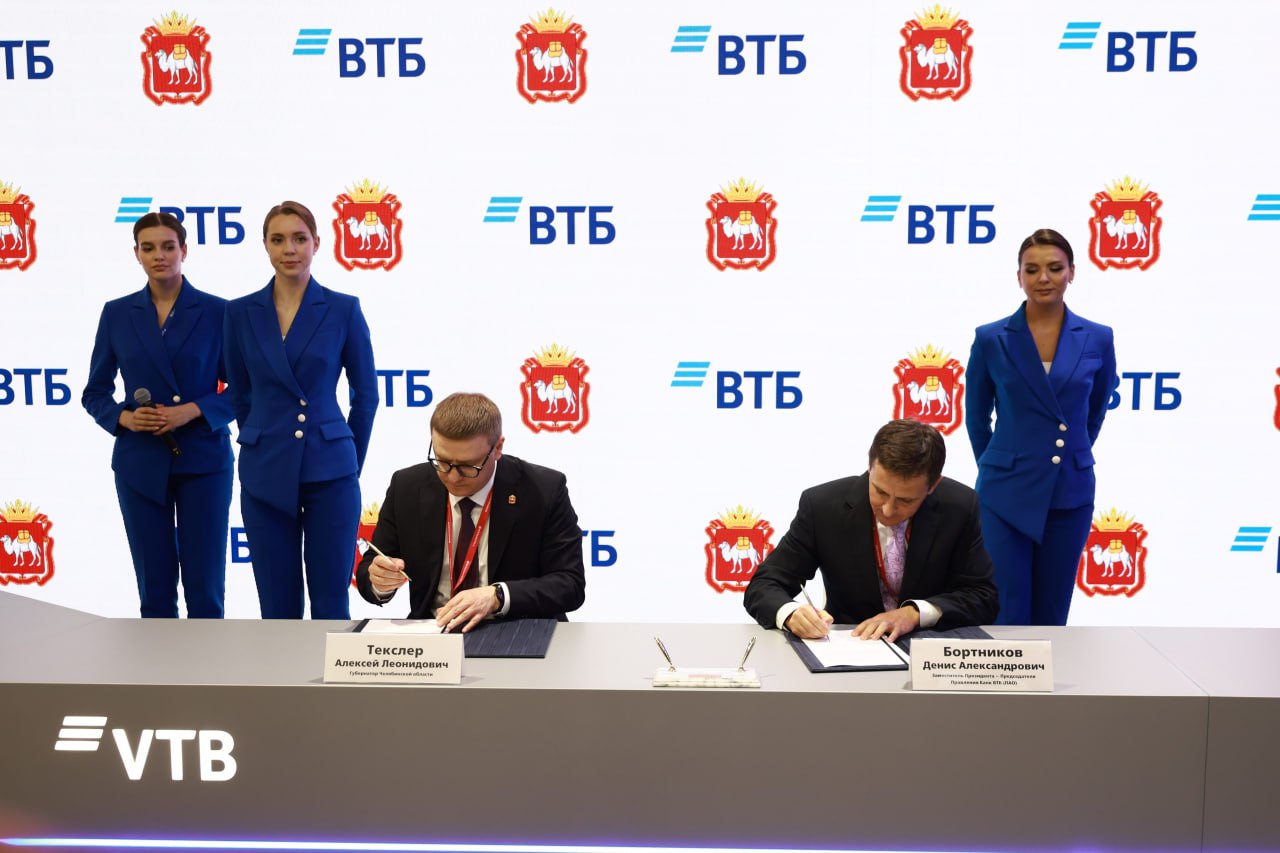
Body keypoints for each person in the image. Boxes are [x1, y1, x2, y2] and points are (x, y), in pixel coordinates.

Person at [223, 201, 378, 619]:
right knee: (277, 608)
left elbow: (366, 395)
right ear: (265, 245)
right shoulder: (238, 313)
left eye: (299, 238)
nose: (289, 249)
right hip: (264, 467)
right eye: (278, 240)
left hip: (331, 470)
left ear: (317, 243)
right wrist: (261, 434)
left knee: (331, 603)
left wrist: (349, 460)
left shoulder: (344, 308)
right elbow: (239, 393)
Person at [82, 212, 234, 618]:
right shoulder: (116, 313)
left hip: (204, 459)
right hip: (140, 461)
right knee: (154, 590)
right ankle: (157, 663)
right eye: (148, 248)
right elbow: (95, 392)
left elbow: (245, 389)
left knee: (206, 589)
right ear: (136, 253)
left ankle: (208, 661)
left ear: (184, 250)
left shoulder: (219, 312)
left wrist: (194, 409)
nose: (159, 255)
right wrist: (124, 418)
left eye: (168, 246)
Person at [965, 228, 1117, 625]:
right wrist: (999, 464)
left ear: (1072, 272)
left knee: (1052, 612)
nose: (1043, 278)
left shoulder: (1099, 338)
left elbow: (1094, 413)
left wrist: (1069, 456)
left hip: (1070, 490)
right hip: (1004, 491)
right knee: (1005, 610)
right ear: (1019, 277)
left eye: (1055, 268)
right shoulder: (991, 338)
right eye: (1032, 270)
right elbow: (976, 418)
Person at [744, 418, 998, 641]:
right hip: (849, 648)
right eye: (880, 491)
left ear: (933, 486)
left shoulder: (959, 506)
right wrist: (791, 613)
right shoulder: (822, 506)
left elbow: (983, 597)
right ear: (870, 466)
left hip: (930, 651)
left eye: (905, 500)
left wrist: (915, 613)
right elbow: (765, 584)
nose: (888, 509)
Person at [355, 392, 586, 632]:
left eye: (468, 466)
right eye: (442, 461)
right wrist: (379, 580)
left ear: (498, 448)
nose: (453, 477)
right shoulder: (407, 487)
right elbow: (370, 568)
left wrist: (498, 596)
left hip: (517, 629)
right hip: (434, 630)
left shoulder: (543, 490)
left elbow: (570, 584)